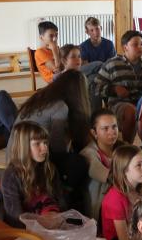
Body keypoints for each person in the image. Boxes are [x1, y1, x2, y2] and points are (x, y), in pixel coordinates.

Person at [16, 68, 92, 210]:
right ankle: (66, 197)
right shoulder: (60, 107)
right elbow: (58, 148)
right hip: (29, 158)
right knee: (79, 162)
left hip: (15, 153)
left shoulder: (39, 98)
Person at [1, 121, 67, 228]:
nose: (45, 148)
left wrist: (59, 218)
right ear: (23, 147)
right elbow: (14, 216)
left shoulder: (49, 168)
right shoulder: (10, 176)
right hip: (26, 228)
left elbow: (60, 200)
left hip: (51, 220)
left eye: (45, 143)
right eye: (37, 144)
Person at [95, 30, 142, 144]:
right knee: (131, 111)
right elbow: (96, 87)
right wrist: (114, 89)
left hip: (141, 104)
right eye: (135, 44)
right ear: (125, 47)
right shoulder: (112, 64)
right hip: (118, 104)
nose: (140, 47)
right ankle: (127, 145)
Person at [101, 144, 142, 240]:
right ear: (124, 170)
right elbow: (124, 239)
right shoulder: (114, 199)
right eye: (139, 165)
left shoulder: (136, 191)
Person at [82, 109, 120, 220]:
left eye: (114, 127)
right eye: (105, 128)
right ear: (94, 133)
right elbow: (110, 177)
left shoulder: (121, 148)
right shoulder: (88, 154)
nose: (112, 132)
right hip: (99, 213)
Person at [34, 20, 62, 84]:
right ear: (41, 38)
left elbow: (63, 64)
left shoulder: (57, 48)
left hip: (61, 75)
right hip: (53, 79)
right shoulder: (39, 52)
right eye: (51, 36)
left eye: (56, 35)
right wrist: (54, 50)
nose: (55, 38)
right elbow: (57, 70)